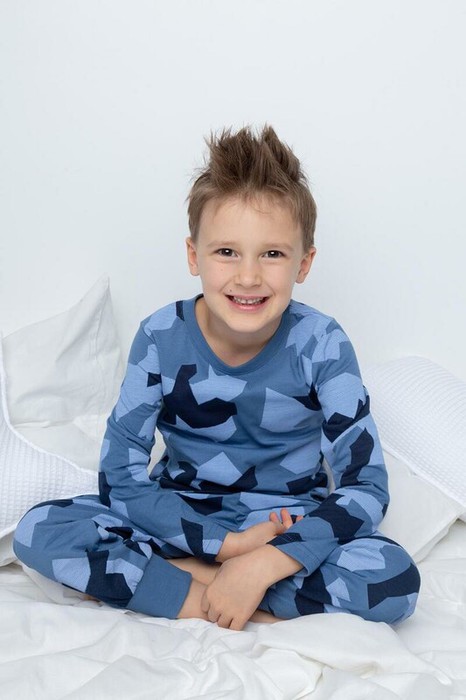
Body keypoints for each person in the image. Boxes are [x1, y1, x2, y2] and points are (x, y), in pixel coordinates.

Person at [13, 125, 420, 631]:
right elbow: (120, 477)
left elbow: (366, 484)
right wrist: (226, 548)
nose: (248, 277)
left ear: (304, 263)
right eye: (227, 252)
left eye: (272, 254)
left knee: (394, 581)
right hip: (181, 519)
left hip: (283, 529)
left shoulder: (322, 343)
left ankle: (194, 584)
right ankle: (224, 596)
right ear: (194, 255)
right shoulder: (160, 336)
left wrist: (266, 561)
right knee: (41, 530)